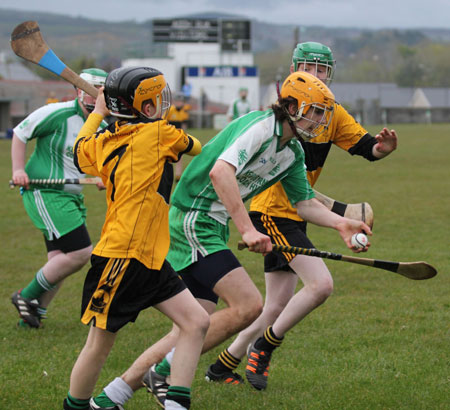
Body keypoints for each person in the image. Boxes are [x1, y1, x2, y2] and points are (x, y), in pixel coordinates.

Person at [108, 70, 372, 407]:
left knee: (192, 326)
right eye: (316, 111)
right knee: (248, 306)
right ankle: (163, 375)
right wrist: (247, 228)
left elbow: (304, 203)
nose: (321, 121)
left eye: (324, 114)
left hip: (211, 224)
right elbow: (220, 172)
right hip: (192, 215)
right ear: (292, 105)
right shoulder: (260, 127)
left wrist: (340, 225)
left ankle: (113, 394)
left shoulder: (292, 152)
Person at [207, 41, 399, 391]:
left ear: (330, 72)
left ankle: (223, 366)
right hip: (271, 213)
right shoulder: (282, 114)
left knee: (276, 305)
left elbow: (364, 146)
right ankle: (264, 345)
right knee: (321, 285)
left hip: (297, 212)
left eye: (321, 69)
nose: (315, 75)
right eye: (308, 68)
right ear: (294, 69)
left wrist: (380, 149)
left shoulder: (331, 114)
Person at [63, 66, 209, 410]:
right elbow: (197, 146)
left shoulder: (102, 140)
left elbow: (79, 150)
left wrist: (99, 114)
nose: (162, 104)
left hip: (150, 256)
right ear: (144, 108)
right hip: (122, 255)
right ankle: (76, 406)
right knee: (99, 343)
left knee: (196, 322)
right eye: (156, 100)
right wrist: (114, 117)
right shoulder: (161, 133)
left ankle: (176, 405)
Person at [10, 68, 109, 329]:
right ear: (78, 92)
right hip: (46, 192)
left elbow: (103, 159)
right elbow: (20, 133)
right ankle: (26, 296)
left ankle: (32, 317)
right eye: (89, 92)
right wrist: (18, 170)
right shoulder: (57, 113)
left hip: (72, 196)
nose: (93, 99)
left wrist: (105, 175)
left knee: (61, 259)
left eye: (99, 93)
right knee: (79, 252)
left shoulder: (105, 125)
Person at [167, 93, 191, 180]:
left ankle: (178, 174)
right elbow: (165, 123)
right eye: (178, 101)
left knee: (180, 155)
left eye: (181, 102)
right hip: (170, 135)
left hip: (179, 135)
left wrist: (184, 135)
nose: (179, 103)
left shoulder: (183, 112)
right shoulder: (170, 110)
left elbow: (184, 125)